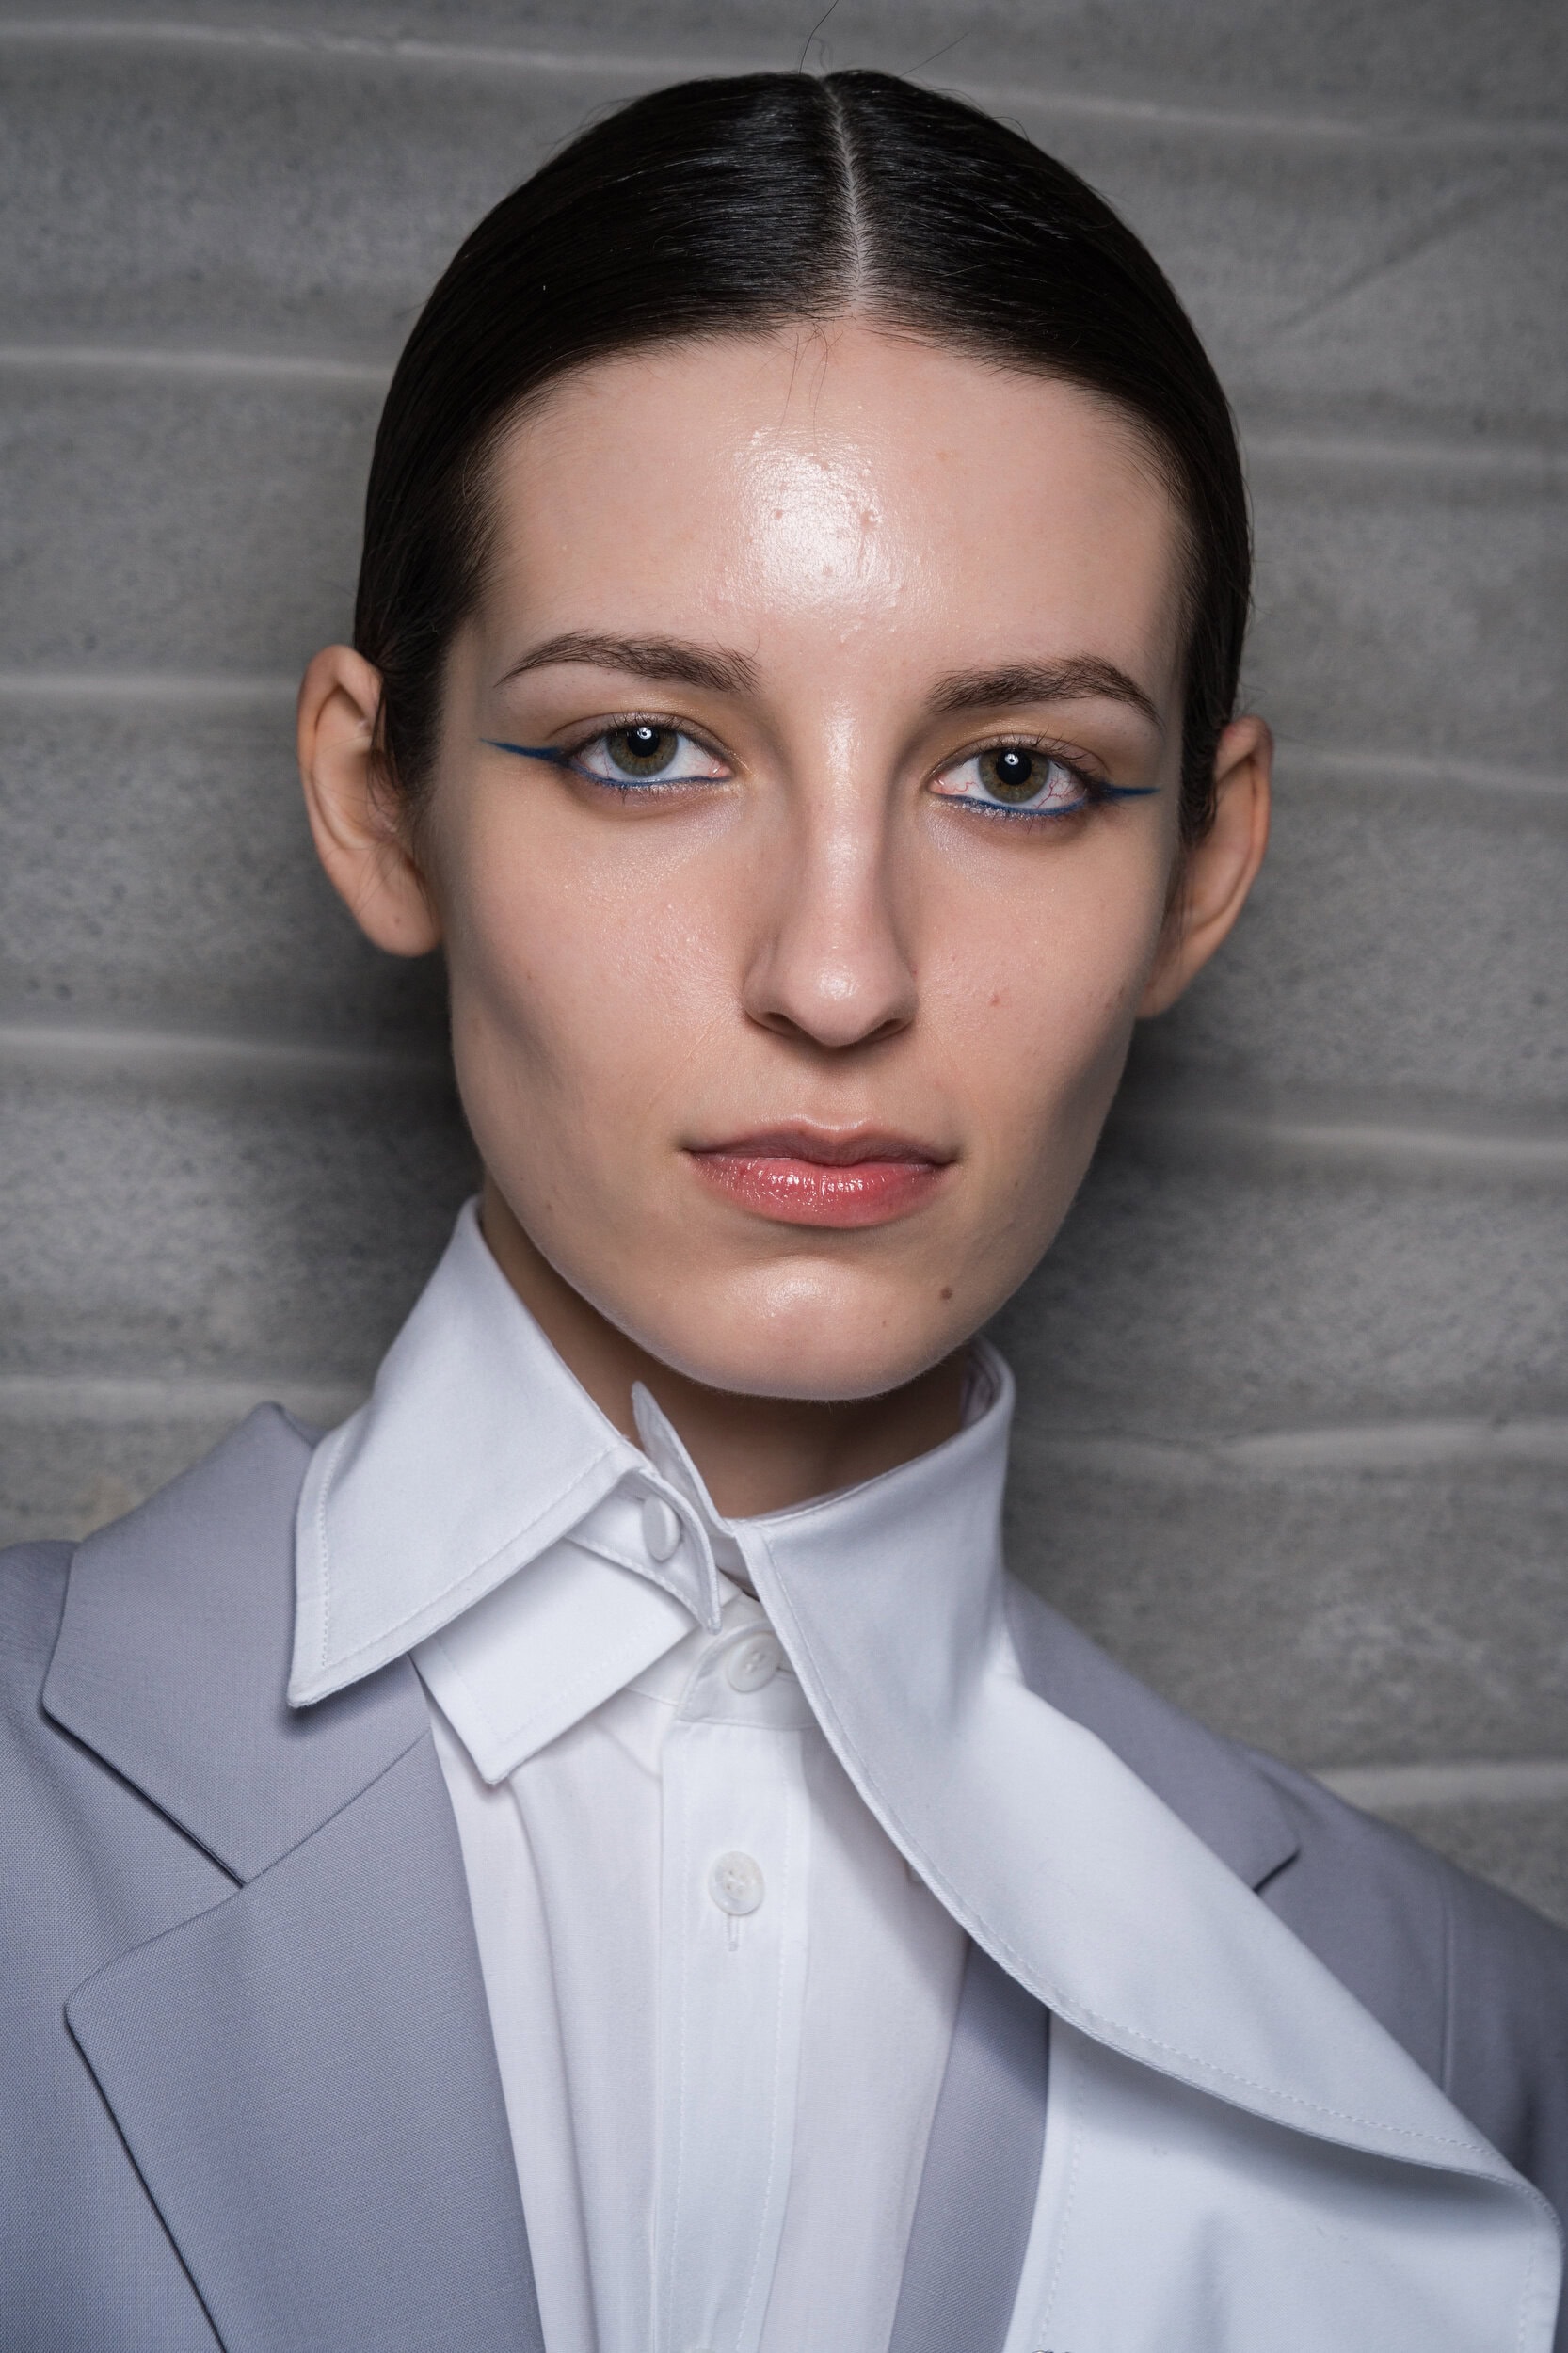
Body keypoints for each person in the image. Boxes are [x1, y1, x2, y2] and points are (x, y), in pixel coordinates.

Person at [3, 67, 1564, 2353]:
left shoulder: (1466, 2052)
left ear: (1199, 863)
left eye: (1015, 773)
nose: (835, 975)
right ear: (376, 795)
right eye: (643, 746)